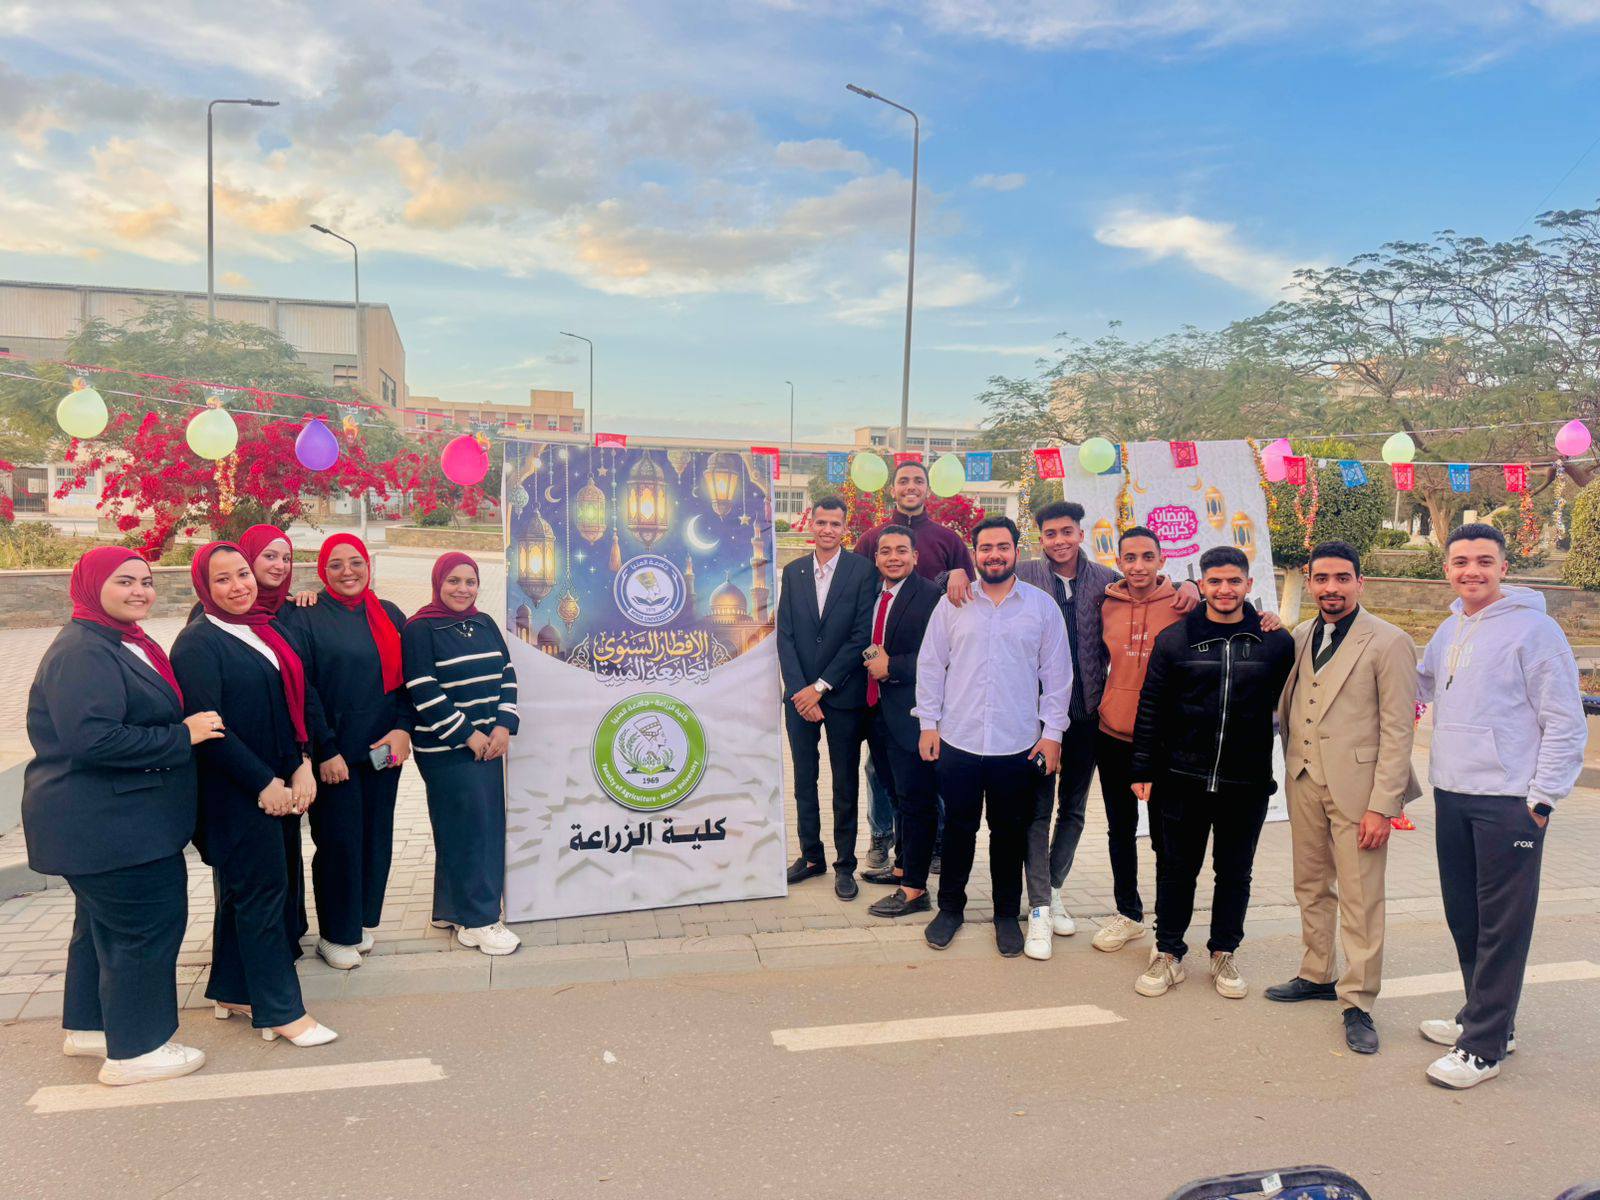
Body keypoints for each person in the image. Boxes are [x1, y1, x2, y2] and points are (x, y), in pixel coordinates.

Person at [942, 503, 1203, 959]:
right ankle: (1038, 903)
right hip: (1033, 718)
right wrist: (956, 572)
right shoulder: (1023, 572)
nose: (1059, 540)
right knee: (1036, 812)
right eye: (1050, 533)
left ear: (1081, 534)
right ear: (1039, 539)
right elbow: (978, 571)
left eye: (1067, 531)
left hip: (1088, 716)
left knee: (1074, 810)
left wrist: (1190, 585)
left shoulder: (1107, 580)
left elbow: (1152, 585)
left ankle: (1054, 888)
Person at [22, 548, 220, 1085]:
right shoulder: (84, 651)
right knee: (144, 929)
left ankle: (91, 1027)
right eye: (124, 581)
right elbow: (93, 739)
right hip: (111, 826)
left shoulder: (116, 640)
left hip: (110, 822)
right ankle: (138, 1050)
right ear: (91, 586)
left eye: (146, 581)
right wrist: (183, 736)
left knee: (100, 930)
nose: (139, 591)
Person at [1415, 523, 1585, 1089]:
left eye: (1484, 561)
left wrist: (1543, 800)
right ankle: (1486, 1018)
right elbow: (1420, 685)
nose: (1472, 571)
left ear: (1503, 568)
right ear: (1447, 569)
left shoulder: (1535, 630)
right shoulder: (1449, 627)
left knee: (1502, 927)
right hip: (1452, 792)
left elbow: (1564, 720)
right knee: (1466, 917)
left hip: (1510, 801)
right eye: (1461, 562)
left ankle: (1483, 1047)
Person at [171, 542, 337, 1047]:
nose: (238, 586)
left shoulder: (263, 628)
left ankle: (233, 989)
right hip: (236, 792)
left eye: (242, 573)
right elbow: (210, 730)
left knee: (250, 894)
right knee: (262, 898)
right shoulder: (198, 643)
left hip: (278, 783)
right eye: (221, 579)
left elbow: (289, 706)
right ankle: (280, 1010)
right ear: (204, 588)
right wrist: (264, 782)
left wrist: (301, 763)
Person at [1266, 541, 1420, 1056]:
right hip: (1304, 778)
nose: (1331, 587)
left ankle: (1358, 1000)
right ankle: (1316, 973)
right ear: (1310, 582)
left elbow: (1399, 730)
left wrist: (1384, 804)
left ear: (1360, 581)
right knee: (1310, 885)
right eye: (1321, 578)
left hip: (1361, 791)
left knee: (1360, 896)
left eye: (1341, 578)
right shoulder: (1299, 636)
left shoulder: (1390, 641)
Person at [1130, 545, 1294, 1000]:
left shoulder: (1274, 642)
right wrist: (1142, 766)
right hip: (1181, 778)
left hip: (1246, 782)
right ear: (1201, 585)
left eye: (1234, 581)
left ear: (1248, 585)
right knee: (1176, 871)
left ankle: (1224, 951)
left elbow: (1296, 705)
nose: (1225, 589)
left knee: (1235, 873)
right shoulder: (1175, 640)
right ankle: (1168, 953)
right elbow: (1151, 706)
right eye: (1215, 581)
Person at [913, 516, 1072, 956]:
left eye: (1003, 546)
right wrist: (928, 724)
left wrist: (1052, 734)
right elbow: (931, 665)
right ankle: (950, 909)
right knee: (958, 830)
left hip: (1017, 743)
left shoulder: (1041, 607)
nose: (994, 555)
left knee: (1009, 834)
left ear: (1017, 551)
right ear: (975, 554)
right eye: (986, 548)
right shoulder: (954, 603)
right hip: (958, 740)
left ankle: (1005, 915)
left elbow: (1057, 676)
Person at [294, 533, 413, 970]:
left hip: (384, 753)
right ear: (322, 571)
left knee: (375, 837)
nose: (348, 572)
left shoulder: (390, 613)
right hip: (336, 756)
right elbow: (304, 689)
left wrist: (404, 730)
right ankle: (334, 934)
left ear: (368, 565)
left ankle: (358, 922)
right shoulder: (306, 616)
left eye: (356, 562)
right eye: (336, 564)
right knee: (339, 842)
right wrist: (324, 749)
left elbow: (411, 680)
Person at [402, 552, 522, 956]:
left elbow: (507, 673)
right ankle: (480, 920)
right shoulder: (420, 628)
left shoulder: (484, 622)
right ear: (438, 582)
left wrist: (503, 725)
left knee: (468, 827)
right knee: (474, 831)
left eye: (470, 581)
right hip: (448, 750)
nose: (462, 589)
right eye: (453, 581)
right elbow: (422, 689)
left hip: (489, 744)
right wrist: (469, 736)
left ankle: (451, 909)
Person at [1092, 526, 1187, 955]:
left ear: (1162, 560)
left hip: (1165, 738)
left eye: (1148, 557)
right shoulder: (1106, 604)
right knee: (1120, 829)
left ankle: (1167, 926)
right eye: (1129, 558)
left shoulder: (1184, 603)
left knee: (1166, 836)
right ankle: (1128, 914)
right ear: (1118, 561)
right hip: (1113, 733)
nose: (1139, 566)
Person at [778, 496, 877, 897]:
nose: (827, 530)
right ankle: (811, 855)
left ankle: (845, 864)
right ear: (811, 525)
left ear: (845, 528)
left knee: (844, 783)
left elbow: (861, 636)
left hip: (842, 695)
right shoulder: (794, 572)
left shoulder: (861, 571)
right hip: (799, 698)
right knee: (804, 779)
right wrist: (800, 691)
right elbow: (785, 635)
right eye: (821, 522)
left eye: (835, 524)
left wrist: (820, 687)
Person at [854, 527, 942, 916]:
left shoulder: (931, 596)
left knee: (917, 800)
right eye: (886, 551)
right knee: (896, 797)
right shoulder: (873, 595)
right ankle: (903, 867)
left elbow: (942, 656)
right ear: (876, 558)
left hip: (913, 716)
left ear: (915, 556)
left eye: (901, 551)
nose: (893, 557)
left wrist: (894, 666)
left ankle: (915, 890)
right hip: (877, 714)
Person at [853, 459, 977, 582]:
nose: (911, 487)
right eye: (903, 481)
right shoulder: (869, 540)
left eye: (919, 481)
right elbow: (854, 586)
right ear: (893, 491)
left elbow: (970, 587)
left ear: (928, 491)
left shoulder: (950, 540)